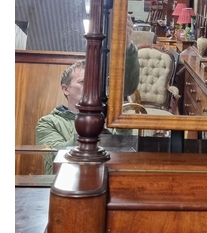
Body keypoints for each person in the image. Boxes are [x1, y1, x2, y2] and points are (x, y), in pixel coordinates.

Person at [36, 15, 140, 174]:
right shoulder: (48, 123)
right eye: (84, 82)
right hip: (65, 187)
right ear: (66, 89)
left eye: (95, 82)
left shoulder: (107, 117)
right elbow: (53, 163)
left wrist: (126, 46)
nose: (92, 88)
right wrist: (90, 120)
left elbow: (125, 154)